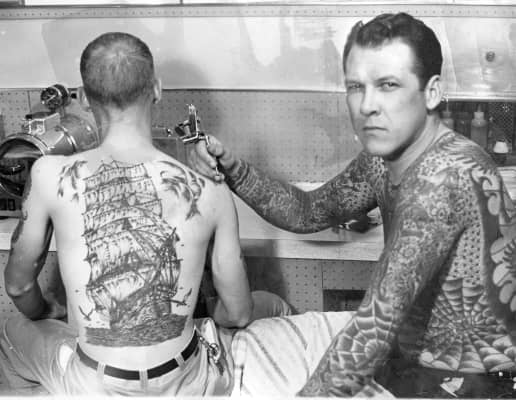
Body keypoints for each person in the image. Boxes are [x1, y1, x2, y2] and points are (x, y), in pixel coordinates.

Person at [188, 12, 516, 398]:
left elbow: (375, 326)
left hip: (477, 382)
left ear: (431, 92)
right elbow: (308, 212)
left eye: (388, 85)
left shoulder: (445, 177)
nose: (367, 105)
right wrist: (233, 170)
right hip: (410, 364)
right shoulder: (384, 159)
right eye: (356, 86)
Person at [1, 31, 289, 396]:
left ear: (85, 98)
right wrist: (204, 317)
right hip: (186, 381)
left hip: (95, 385)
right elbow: (239, 314)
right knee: (274, 306)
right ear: (156, 89)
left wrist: (46, 311)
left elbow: (18, 285)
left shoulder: (48, 175)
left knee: (11, 332)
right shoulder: (209, 190)